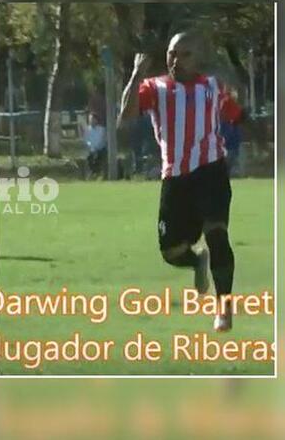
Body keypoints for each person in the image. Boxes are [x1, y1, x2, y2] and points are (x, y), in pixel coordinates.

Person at [118, 31, 246, 332]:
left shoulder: (214, 87)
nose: (176, 59)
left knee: (217, 234)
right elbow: (126, 117)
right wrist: (136, 73)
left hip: (211, 171)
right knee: (171, 251)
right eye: (172, 53)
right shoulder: (154, 87)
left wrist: (259, 133)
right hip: (175, 179)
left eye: (185, 54)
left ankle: (224, 309)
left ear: (198, 58)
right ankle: (195, 261)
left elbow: (236, 115)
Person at [81, 113, 107, 177]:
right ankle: (93, 172)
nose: (91, 121)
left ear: (96, 120)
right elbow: (86, 140)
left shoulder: (102, 130)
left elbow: (102, 141)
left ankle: (97, 172)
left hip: (100, 149)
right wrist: (91, 147)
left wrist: (96, 148)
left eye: (93, 119)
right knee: (89, 157)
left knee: (99, 156)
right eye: (90, 119)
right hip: (91, 149)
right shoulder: (87, 130)